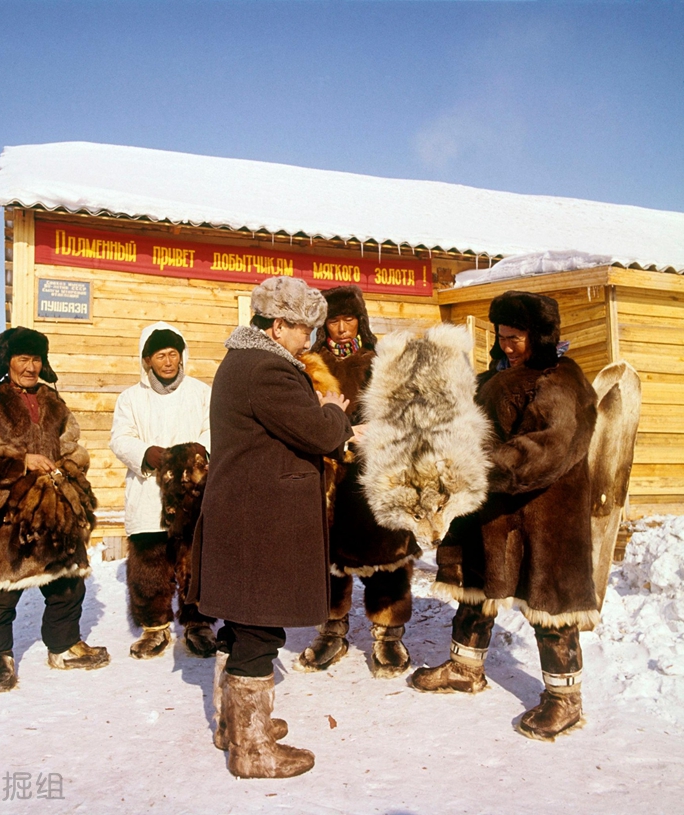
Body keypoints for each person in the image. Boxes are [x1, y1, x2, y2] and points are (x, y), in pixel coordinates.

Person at [409, 290, 599, 741]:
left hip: (546, 512)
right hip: (493, 508)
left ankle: (564, 699)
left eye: (517, 338)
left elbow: (549, 447)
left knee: (550, 604)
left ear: (540, 336)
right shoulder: (495, 376)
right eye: (502, 336)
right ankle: (464, 667)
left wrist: (478, 466)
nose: (508, 345)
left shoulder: (560, 380)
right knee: (476, 586)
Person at [188, 276, 355, 778]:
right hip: (261, 519)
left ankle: (233, 725)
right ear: (278, 326)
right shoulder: (268, 370)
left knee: (243, 624)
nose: (311, 339)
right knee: (259, 627)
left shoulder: (242, 361)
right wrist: (333, 415)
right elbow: (320, 432)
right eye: (305, 329)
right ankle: (253, 749)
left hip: (245, 513)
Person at [0, 327, 109, 694]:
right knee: (1, 591)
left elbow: (72, 445)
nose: (30, 367)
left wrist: (67, 468)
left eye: (36, 359)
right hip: (3, 514)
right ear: (7, 361)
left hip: (50, 510)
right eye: (23, 358)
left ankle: (64, 647)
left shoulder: (54, 402)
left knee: (67, 582)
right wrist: (20, 462)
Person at [297, 285, 419, 678]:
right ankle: (331, 630)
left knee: (387, 555)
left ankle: (388, 635)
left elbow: (406, 414)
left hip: (378, 473)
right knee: (329, 560)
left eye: (349, 319)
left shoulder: (381, 361)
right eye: (334, 320)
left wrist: (377, 432)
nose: (342, 328)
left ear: (360, 321)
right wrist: (340, 432)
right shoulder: (310, 367)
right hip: (330, 475)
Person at [110, 322, 213, 658]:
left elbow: (213, 429)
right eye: (160, 356)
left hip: (192, 492)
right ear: (147, 360)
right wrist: (146, 453)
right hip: (147, 491)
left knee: (194, 559)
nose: (168, 362)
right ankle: (154, 627)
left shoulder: (200, 392)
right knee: (150, 561)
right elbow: (120, 439)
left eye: (173, 354)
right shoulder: (131, 398)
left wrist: (199, 453)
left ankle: (198, 624)